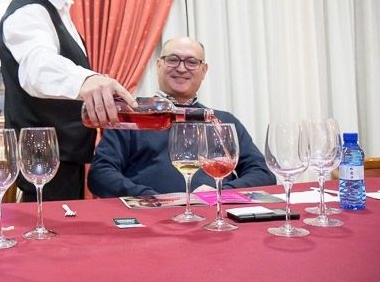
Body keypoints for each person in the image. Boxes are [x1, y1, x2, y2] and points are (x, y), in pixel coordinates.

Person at [0, 0, 135, 202]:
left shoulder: (58, 9)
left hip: (65, 164)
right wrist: (88, 80)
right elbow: (37, 68)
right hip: (43, 168)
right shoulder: (29, 11)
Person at [88, 36, 276, 197]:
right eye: (172, 60)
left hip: (217, 216)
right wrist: (153, 199)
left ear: (204, 70)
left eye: (192, 62)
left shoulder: (224, 121)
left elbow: (262, 173)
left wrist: (220, 193)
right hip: (149, 218)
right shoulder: (130, 116)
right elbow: (100, 175)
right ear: (158, 65)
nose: (181, 68)